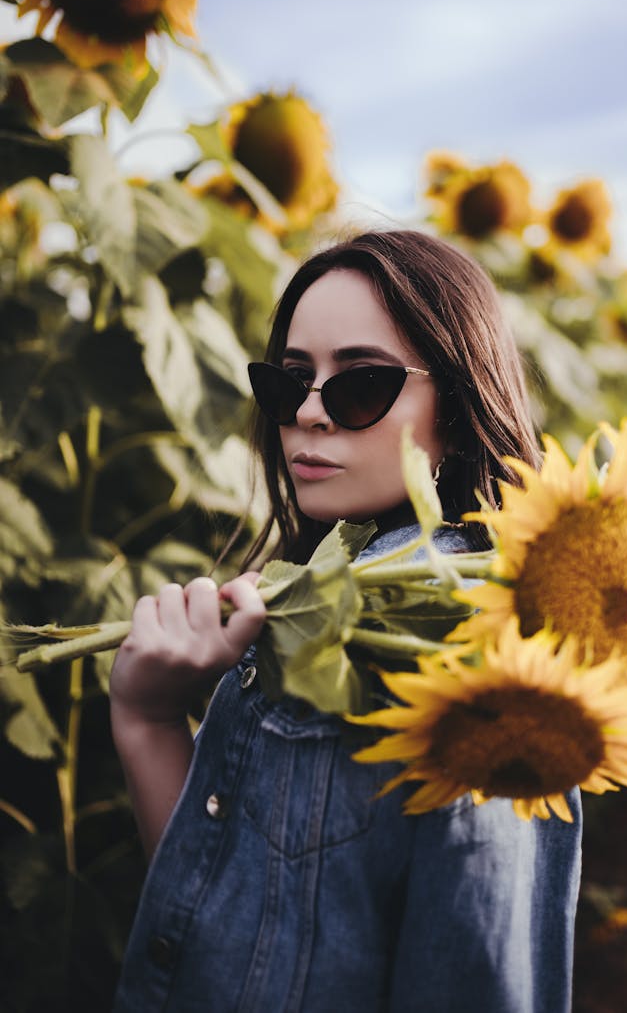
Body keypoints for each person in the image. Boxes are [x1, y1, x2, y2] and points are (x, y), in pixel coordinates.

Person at [110, 229, 582, 1012]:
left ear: (459, 410)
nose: (308, 413)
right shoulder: (316, 605)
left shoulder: (463, 646)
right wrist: (147, 718)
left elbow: (478, 976)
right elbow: (214, 929)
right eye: (289, 380)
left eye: (360, 384)